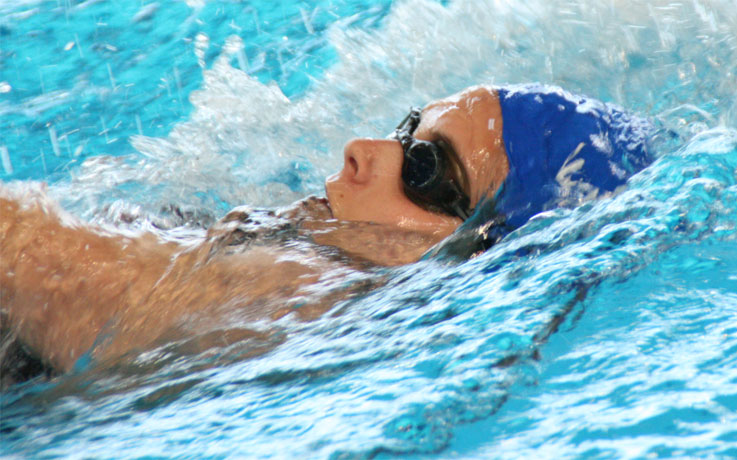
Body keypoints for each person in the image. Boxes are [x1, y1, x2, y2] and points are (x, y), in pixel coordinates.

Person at [0, 84, 653, 381]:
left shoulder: (310, 292)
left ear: (479, 249)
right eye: (406, 132)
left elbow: (24, 251)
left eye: (423, 168)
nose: (362, 150)